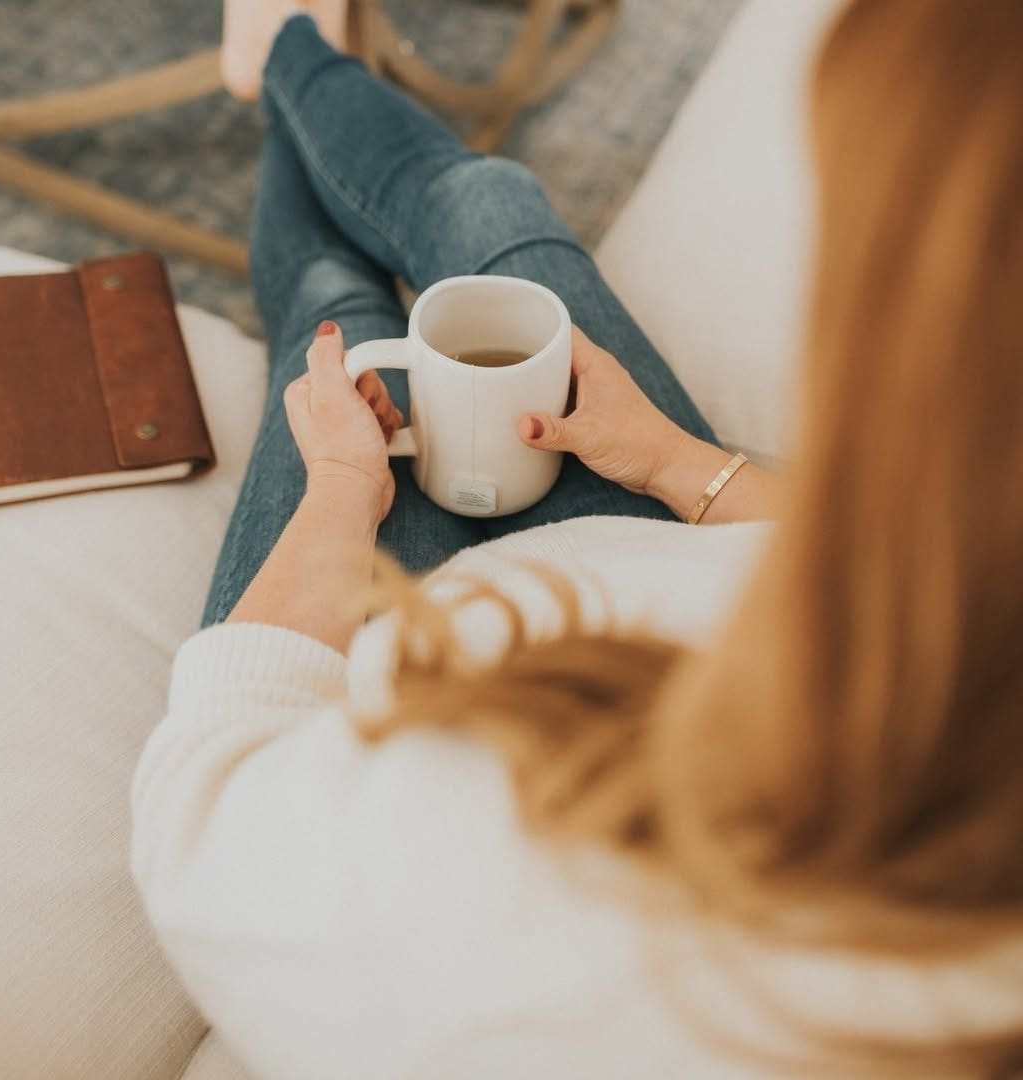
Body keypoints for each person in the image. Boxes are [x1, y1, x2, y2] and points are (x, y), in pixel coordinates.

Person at [131, 0, 1023, 1074]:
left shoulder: (523, 899)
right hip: (636, 501)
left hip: (378, 612)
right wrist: (674, 464)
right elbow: (925, 552)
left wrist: (338, 486)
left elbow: (206, 814)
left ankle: (279, 44)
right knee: (486, 202)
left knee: (341, 316)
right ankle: (290, 47)